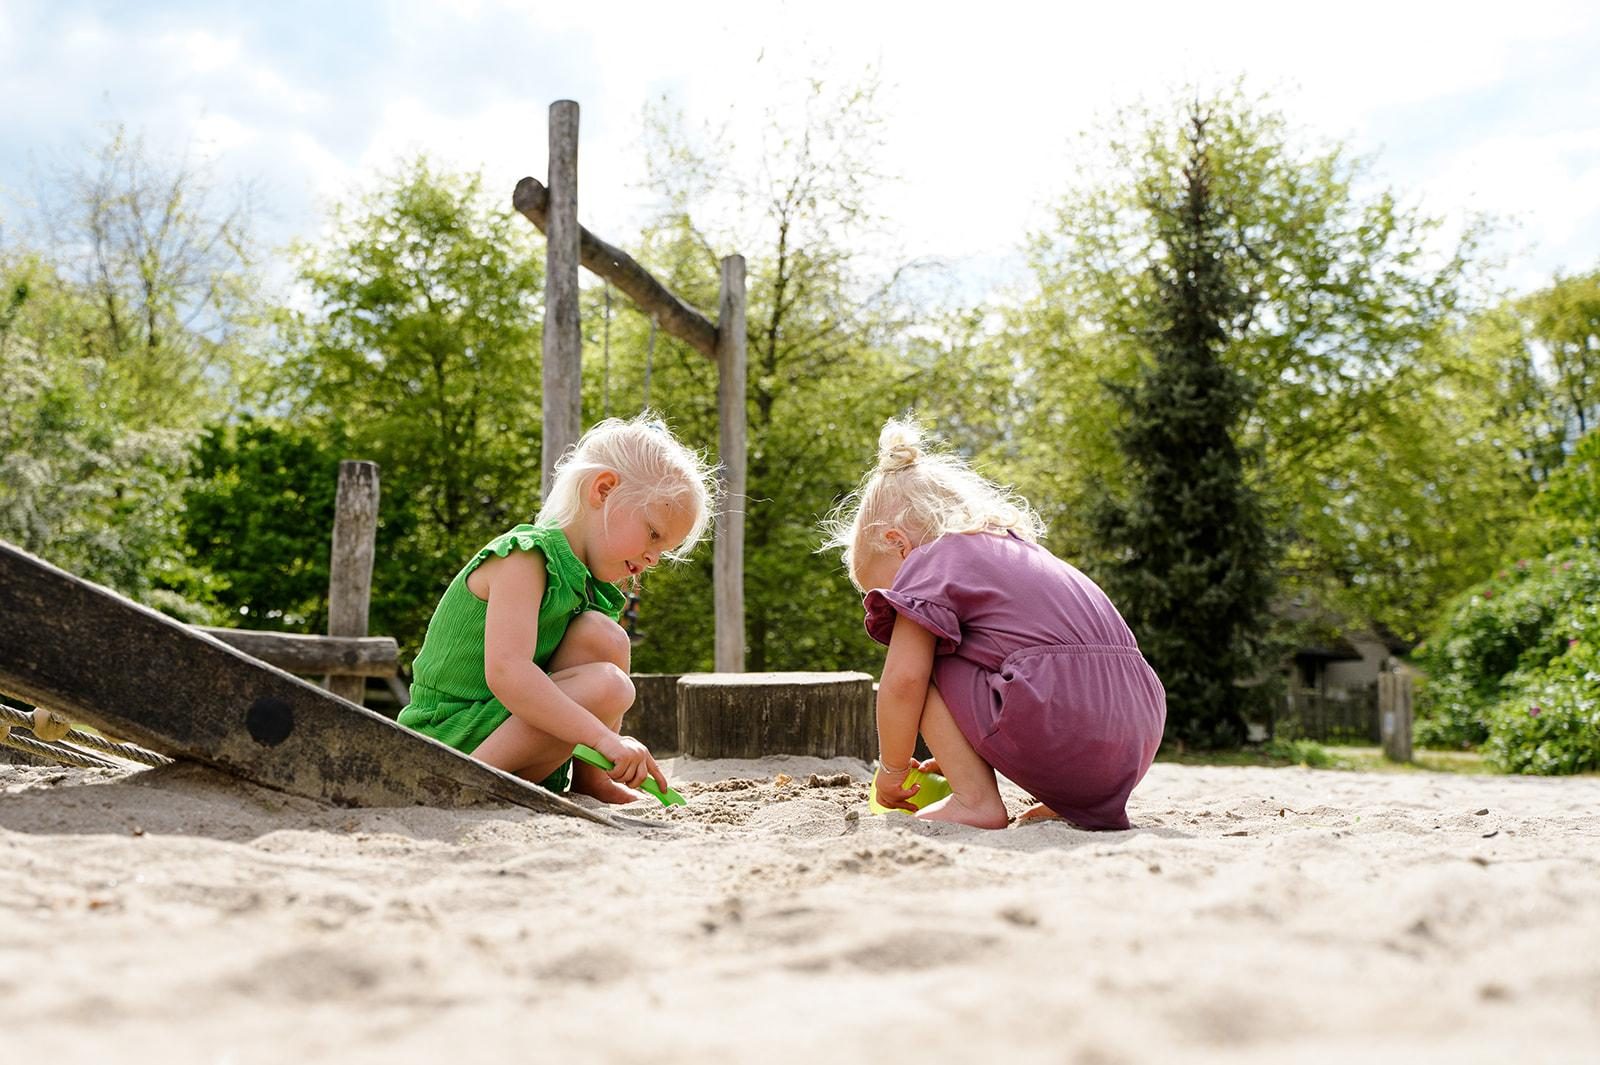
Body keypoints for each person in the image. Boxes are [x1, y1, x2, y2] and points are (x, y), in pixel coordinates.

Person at [823, 416, 1166, 830]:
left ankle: (974, 801)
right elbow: (1048, 661)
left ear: (899, 544)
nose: (902, 608)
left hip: (1062, 720)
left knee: (922, 658)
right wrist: (961, 747)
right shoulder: (1019, 552)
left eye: (888, 590)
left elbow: (904, 683)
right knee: (970, 650)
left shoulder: (929, 560)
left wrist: (893, 772)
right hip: (1136, 732)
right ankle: (1071, 801)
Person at [398, 412, 717, 804]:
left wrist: (603, 750)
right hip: (449, 739)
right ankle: (461, 784)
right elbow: (508, 674)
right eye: (653, 534)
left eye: (662, 551)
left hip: (500, 732)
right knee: (609, 683)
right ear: (603, 490)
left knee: (606, 638)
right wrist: (605, 739)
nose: (653, 558)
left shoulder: (584, 587)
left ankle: (592, 780)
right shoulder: (525, 558)